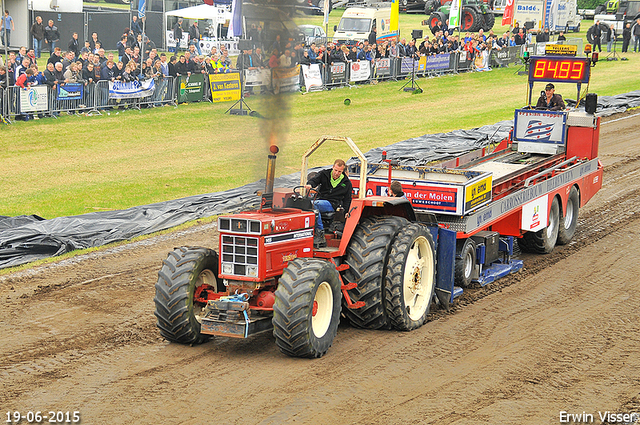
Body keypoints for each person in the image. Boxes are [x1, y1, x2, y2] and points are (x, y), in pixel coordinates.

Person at [304, 159, 353, 248]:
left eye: (339, 171)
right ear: (333, 167)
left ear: (343, 171)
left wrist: (346, 211)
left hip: (333, 203)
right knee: (304, 203)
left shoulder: (346, 183)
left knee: (314, 204)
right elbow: (315, 180)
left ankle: (320, 233)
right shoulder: (324, 174)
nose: (337, 173)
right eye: (335, 170)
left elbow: (347, 199)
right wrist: (310, 185)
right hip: (321, 199)